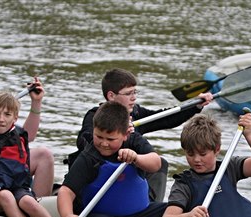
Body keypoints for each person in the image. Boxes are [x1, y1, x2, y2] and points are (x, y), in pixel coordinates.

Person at [69, 68, 213, 202]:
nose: (134, 98)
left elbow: (165, 118)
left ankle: (151, 204)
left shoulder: (136, 113)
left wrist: (196, 106)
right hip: (98, 172)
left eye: (135, 92)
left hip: (126, 172)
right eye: (128, 94)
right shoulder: (95, 116)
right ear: (111, 96)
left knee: (160, 163)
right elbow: (83, 140)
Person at [57, 101, 167, 217]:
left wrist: (136, 158)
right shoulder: (89, 157)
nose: (103, 143)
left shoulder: (135, 141)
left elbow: (156, 163)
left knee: (169, 210)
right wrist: (67, 216)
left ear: (126, 134)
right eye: (99, 136)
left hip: (136, 215)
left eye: (110, 139)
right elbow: (66, 191)